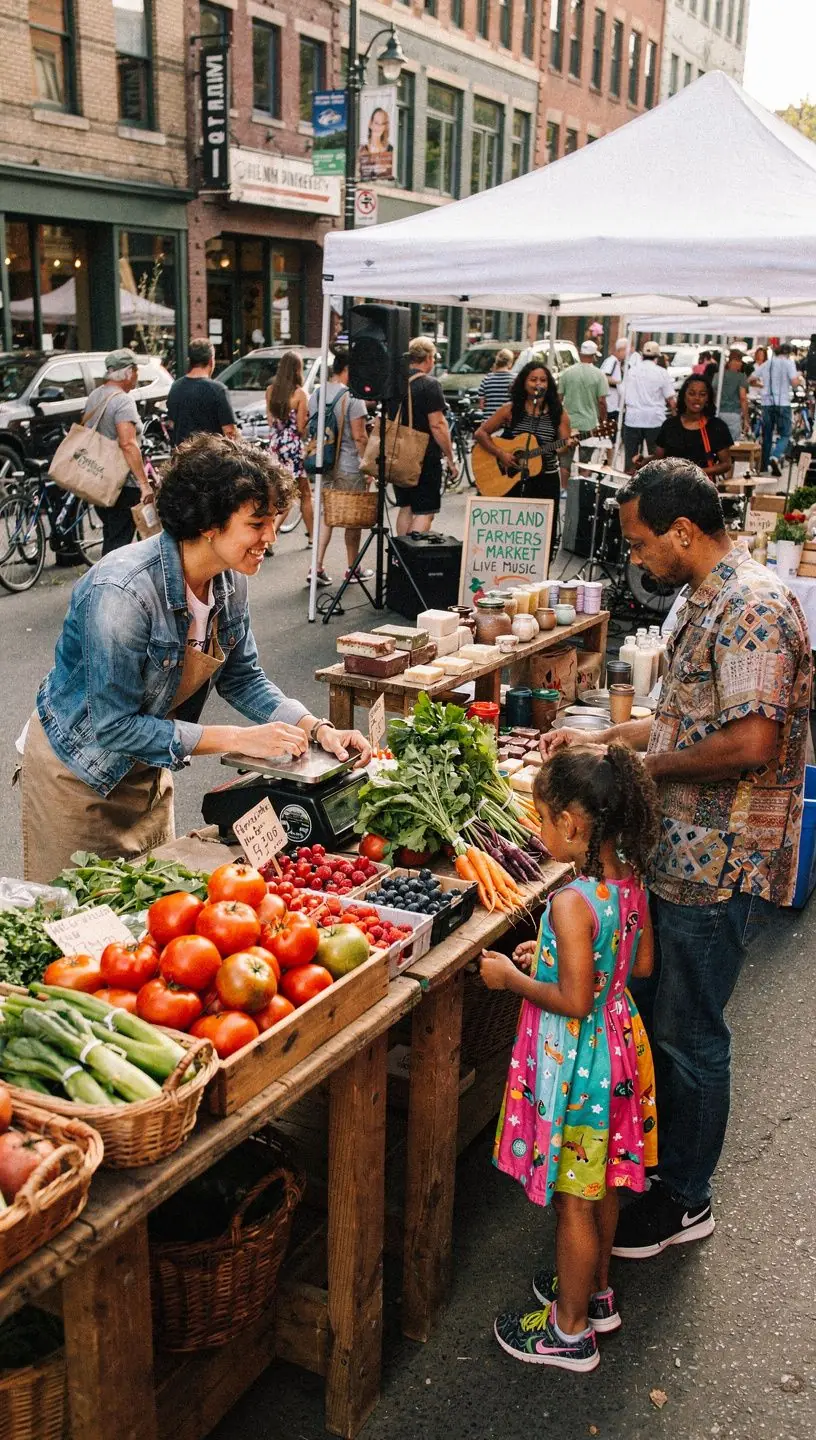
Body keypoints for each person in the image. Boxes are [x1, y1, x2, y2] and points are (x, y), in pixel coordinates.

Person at [543, 459, 810, 1258]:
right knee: (669, 1023)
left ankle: (687, 1199)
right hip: (681, 851)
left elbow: (752, 741)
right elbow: (679, 721)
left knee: (692, 1035)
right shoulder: (707, 597)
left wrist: (636, 770)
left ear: (683, 532)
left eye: (640, 541)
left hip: (718, 859)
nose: (636, 558)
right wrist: (605, 740)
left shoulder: (752, 606)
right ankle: (667, 1174)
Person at [19, 435, 370, 884]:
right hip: (77, 775)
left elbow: (243, 679)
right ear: (209, 523)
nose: (271, 537)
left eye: (273, 522)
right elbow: (111, 725)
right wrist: (236, 738)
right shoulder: (122, 593)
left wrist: (316, 728)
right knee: (73, 922)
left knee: (152, 911)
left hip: (147, 771)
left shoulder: (229, 582)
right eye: (257, 523)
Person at [481, 745, 660, 1371]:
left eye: (542, 818)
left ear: (573, 825)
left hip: (577, 1062)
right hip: (618, 1047)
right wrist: (556, 955)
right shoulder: (628, 879)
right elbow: (636, 966)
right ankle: (598, 1292)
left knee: (572, 1199)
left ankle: (569, 1330)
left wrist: (512, 977)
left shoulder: (569, 901)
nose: (538, 830)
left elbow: (574, 1001)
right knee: (604, 1178)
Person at [308, 348, 373, 588]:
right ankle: (353, 567)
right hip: (348, 466)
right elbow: (360, 437)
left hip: (322, 463)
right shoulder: (353, 398)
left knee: (327, 516)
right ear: (347, 370)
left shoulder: (316, 394)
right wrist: (366, 466)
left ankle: (316, 567)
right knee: (352, 519)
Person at [81, 348, 153, 555]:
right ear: (128, 372)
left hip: (98, 477)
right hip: (122, 484)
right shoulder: (122, 401)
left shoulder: (95, 395)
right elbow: (128, 443)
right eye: (136, 371)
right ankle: (108, 585)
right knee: (118, 545)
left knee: (112, 535)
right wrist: (144, 484)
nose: (137, 377)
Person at [474, 361, 571, 509]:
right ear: (524, 383)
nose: (538, 383)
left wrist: (567, 446)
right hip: (513, 478)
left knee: (545, 529)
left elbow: (562, 449)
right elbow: (481, 433)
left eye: (543, 380)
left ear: (549, 384)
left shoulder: (559, 414)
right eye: (533, 380)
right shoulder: (510, 410)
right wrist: (501, 454)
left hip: (545, 480)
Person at [391, 336, 458, 537]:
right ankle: (411, 557)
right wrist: (450, 457)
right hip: (424, 457)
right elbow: (437, 425)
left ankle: (400, 558)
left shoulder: (396, 384)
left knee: (406, 507)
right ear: (428, 358)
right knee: (425, 512)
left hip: (398, 454)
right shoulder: (430, 385)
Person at [266, 351, 312, 549]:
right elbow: (301, 427)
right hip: (293, 446)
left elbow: (270, 421)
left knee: (280, 490)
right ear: (296, 370)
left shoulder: (270, 391)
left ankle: (311, 535)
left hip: (276, 445)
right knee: (303, 493)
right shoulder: (300, 394)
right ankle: (273, 534)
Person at [648, 374, 733, 479]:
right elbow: (657, 458)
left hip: (702, 488)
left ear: (707, 399)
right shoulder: (670, 425)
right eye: (692, 394)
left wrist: (695, 473)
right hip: (671, 488)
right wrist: (643, 460)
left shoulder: (717, 427)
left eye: (702, 394)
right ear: (684, 396)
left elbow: (726, 464)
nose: (697, 398)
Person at [165, 337, 238, 446]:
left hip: (182, 456)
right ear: (211, 360)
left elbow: (172, 424)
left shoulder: (176, 387)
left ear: (189, 360)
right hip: (211, 458)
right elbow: (230, 432)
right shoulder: (218, 390)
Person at [620, 341, 676, 472]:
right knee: (656, 458)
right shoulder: (661, 372)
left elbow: (623, 393)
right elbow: (671, 400)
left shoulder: (631, 372)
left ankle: (629, 484)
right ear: (657, 357)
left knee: (631, 459)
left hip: (633, 418)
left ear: (642, 356)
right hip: (654, 420)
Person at [751, 342, 804, 476]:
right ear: (788, 353)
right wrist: (799, 378)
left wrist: (763, 385)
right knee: (786, 434)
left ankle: (763, 468)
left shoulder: (767, 364)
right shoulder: (788, 363)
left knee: (767, 435)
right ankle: (774, 456)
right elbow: (794, 382)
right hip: (783, 402)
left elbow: (751, 379)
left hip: (767, 403)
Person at [557, 341, 609, 436]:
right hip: (589, 424)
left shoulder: (566, 373)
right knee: (587, 450)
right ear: (594, 356)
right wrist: (603, 421)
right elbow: (601, 402)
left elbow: (558, 399)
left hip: (569, 423)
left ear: (580, 354)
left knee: (567, 449)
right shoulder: (600, 375)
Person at [717, 347, 750, 442]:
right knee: (732, 444)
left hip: (719, 412)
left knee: (719, 443)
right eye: (740, 361)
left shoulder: (719, 375)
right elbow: (743, 398)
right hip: (733, 414)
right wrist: (746, 419)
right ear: (736, 362)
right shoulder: (741, 377)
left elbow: (713, 392)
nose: (741, 364)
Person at [599, 337, 630, 437]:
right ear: (620, 350)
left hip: (614, 405)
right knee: (609, 436)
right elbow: (604, 377)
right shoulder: (612, 361)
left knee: (612, 435)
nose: (627, 354)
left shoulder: (617, 363)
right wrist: (620, 382)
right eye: (626, 350)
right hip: (609, 405)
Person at [477, 348, 515, 419]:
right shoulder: (515, 379)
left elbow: (481, 405)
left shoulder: (487, 379)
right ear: (510, 363)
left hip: (488, 423)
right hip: (507, 422)